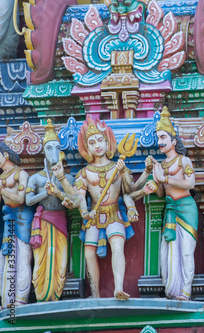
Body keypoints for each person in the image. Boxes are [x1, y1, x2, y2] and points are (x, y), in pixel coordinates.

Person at [48, 115, 138, 299]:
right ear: (87, 148)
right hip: (94, 216)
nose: (97, 145)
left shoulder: (117, 167)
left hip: (114, 213)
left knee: (117, 245)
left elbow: (129, 190)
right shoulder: (85, 172)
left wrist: (123, 175)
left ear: (107, 143)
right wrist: (61, 179)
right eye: (92, 142)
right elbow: (77, 196)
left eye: (100, 140)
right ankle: (95, 294)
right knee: (89, 253)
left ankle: (118, 289)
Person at [131, 108, 198, 300]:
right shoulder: (160, 166)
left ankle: (185, 291)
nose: (160, 142)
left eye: (163, 138)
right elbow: (161, 193)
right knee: (168, 252)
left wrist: (165, 178)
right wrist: (155, 182)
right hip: (169, 211)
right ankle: (172, 289)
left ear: (173, 141)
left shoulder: (184, 160)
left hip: (186, 209)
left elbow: (190, 184)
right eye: (158, 138)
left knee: (185, 252)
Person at [26, 120, 74, 302]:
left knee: (60, 261)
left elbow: (75, 200)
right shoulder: (36, 178)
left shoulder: (67, 177)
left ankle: (55, 296)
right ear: (43, 152)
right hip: (42, 222)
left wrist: (58, 192)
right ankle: (41, 296)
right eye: (49, 148)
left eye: (56, 148)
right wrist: (45, 193)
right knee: (40, 261)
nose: (53, 152)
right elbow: (28, 200)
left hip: (60, 220)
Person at [0, 142, 33, 308]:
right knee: (7, 259)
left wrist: (3, 190)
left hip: (22, 217)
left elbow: (21, 199)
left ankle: (20, 299)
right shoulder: (1, 178)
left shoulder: (21, 174)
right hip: (8, 220)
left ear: (5, 155)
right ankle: (6, 300)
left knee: (23, 258)